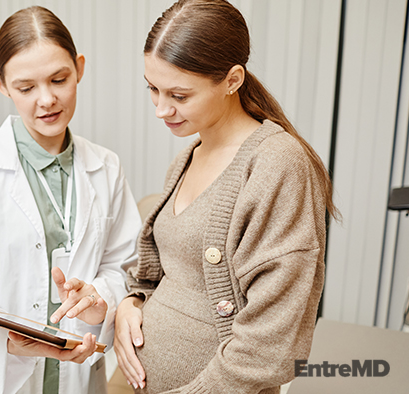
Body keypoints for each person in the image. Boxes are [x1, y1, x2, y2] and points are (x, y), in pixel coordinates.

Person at [0, 5, 142, 394]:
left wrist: (101, 297)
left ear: (79, 68)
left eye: (59, 79)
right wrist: (7, 339)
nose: (46, 99)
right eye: (26, 87)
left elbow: (124, 265)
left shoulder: (107, 168)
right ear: (2, 85)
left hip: (78, 376)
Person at [113, 1, 340, 393]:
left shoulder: (277, 164)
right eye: (153, 88)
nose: (161, 109)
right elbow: (165, 272)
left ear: (233, 80)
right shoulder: (187, 156)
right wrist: (130, 303)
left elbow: (270, 339)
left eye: (180, 96)